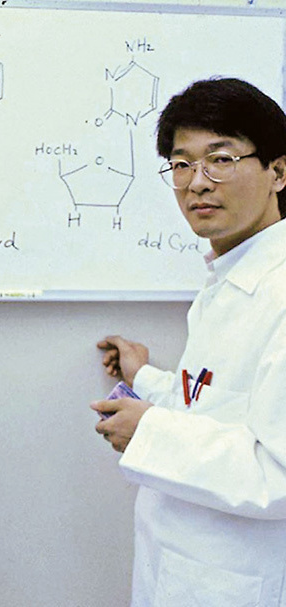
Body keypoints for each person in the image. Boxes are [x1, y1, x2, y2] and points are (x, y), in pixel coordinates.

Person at [91, 77, 286, 606]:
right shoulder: (228, 278)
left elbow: (278, 472)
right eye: (181, 164)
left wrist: (150, 432)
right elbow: (217, 405)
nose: (197, 182)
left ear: (278, 172)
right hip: (186, 571)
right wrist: (145, 378)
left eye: (220, 159)